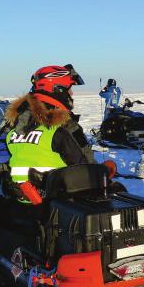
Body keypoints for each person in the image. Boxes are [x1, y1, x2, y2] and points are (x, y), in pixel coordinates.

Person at [5, 64, 96, 201]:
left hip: (21, 201)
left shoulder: (14, 125)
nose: (71, 94)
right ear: (57, 90)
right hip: (58, 203)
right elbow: (87, 168)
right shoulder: (63, 127)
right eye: (68, 89)